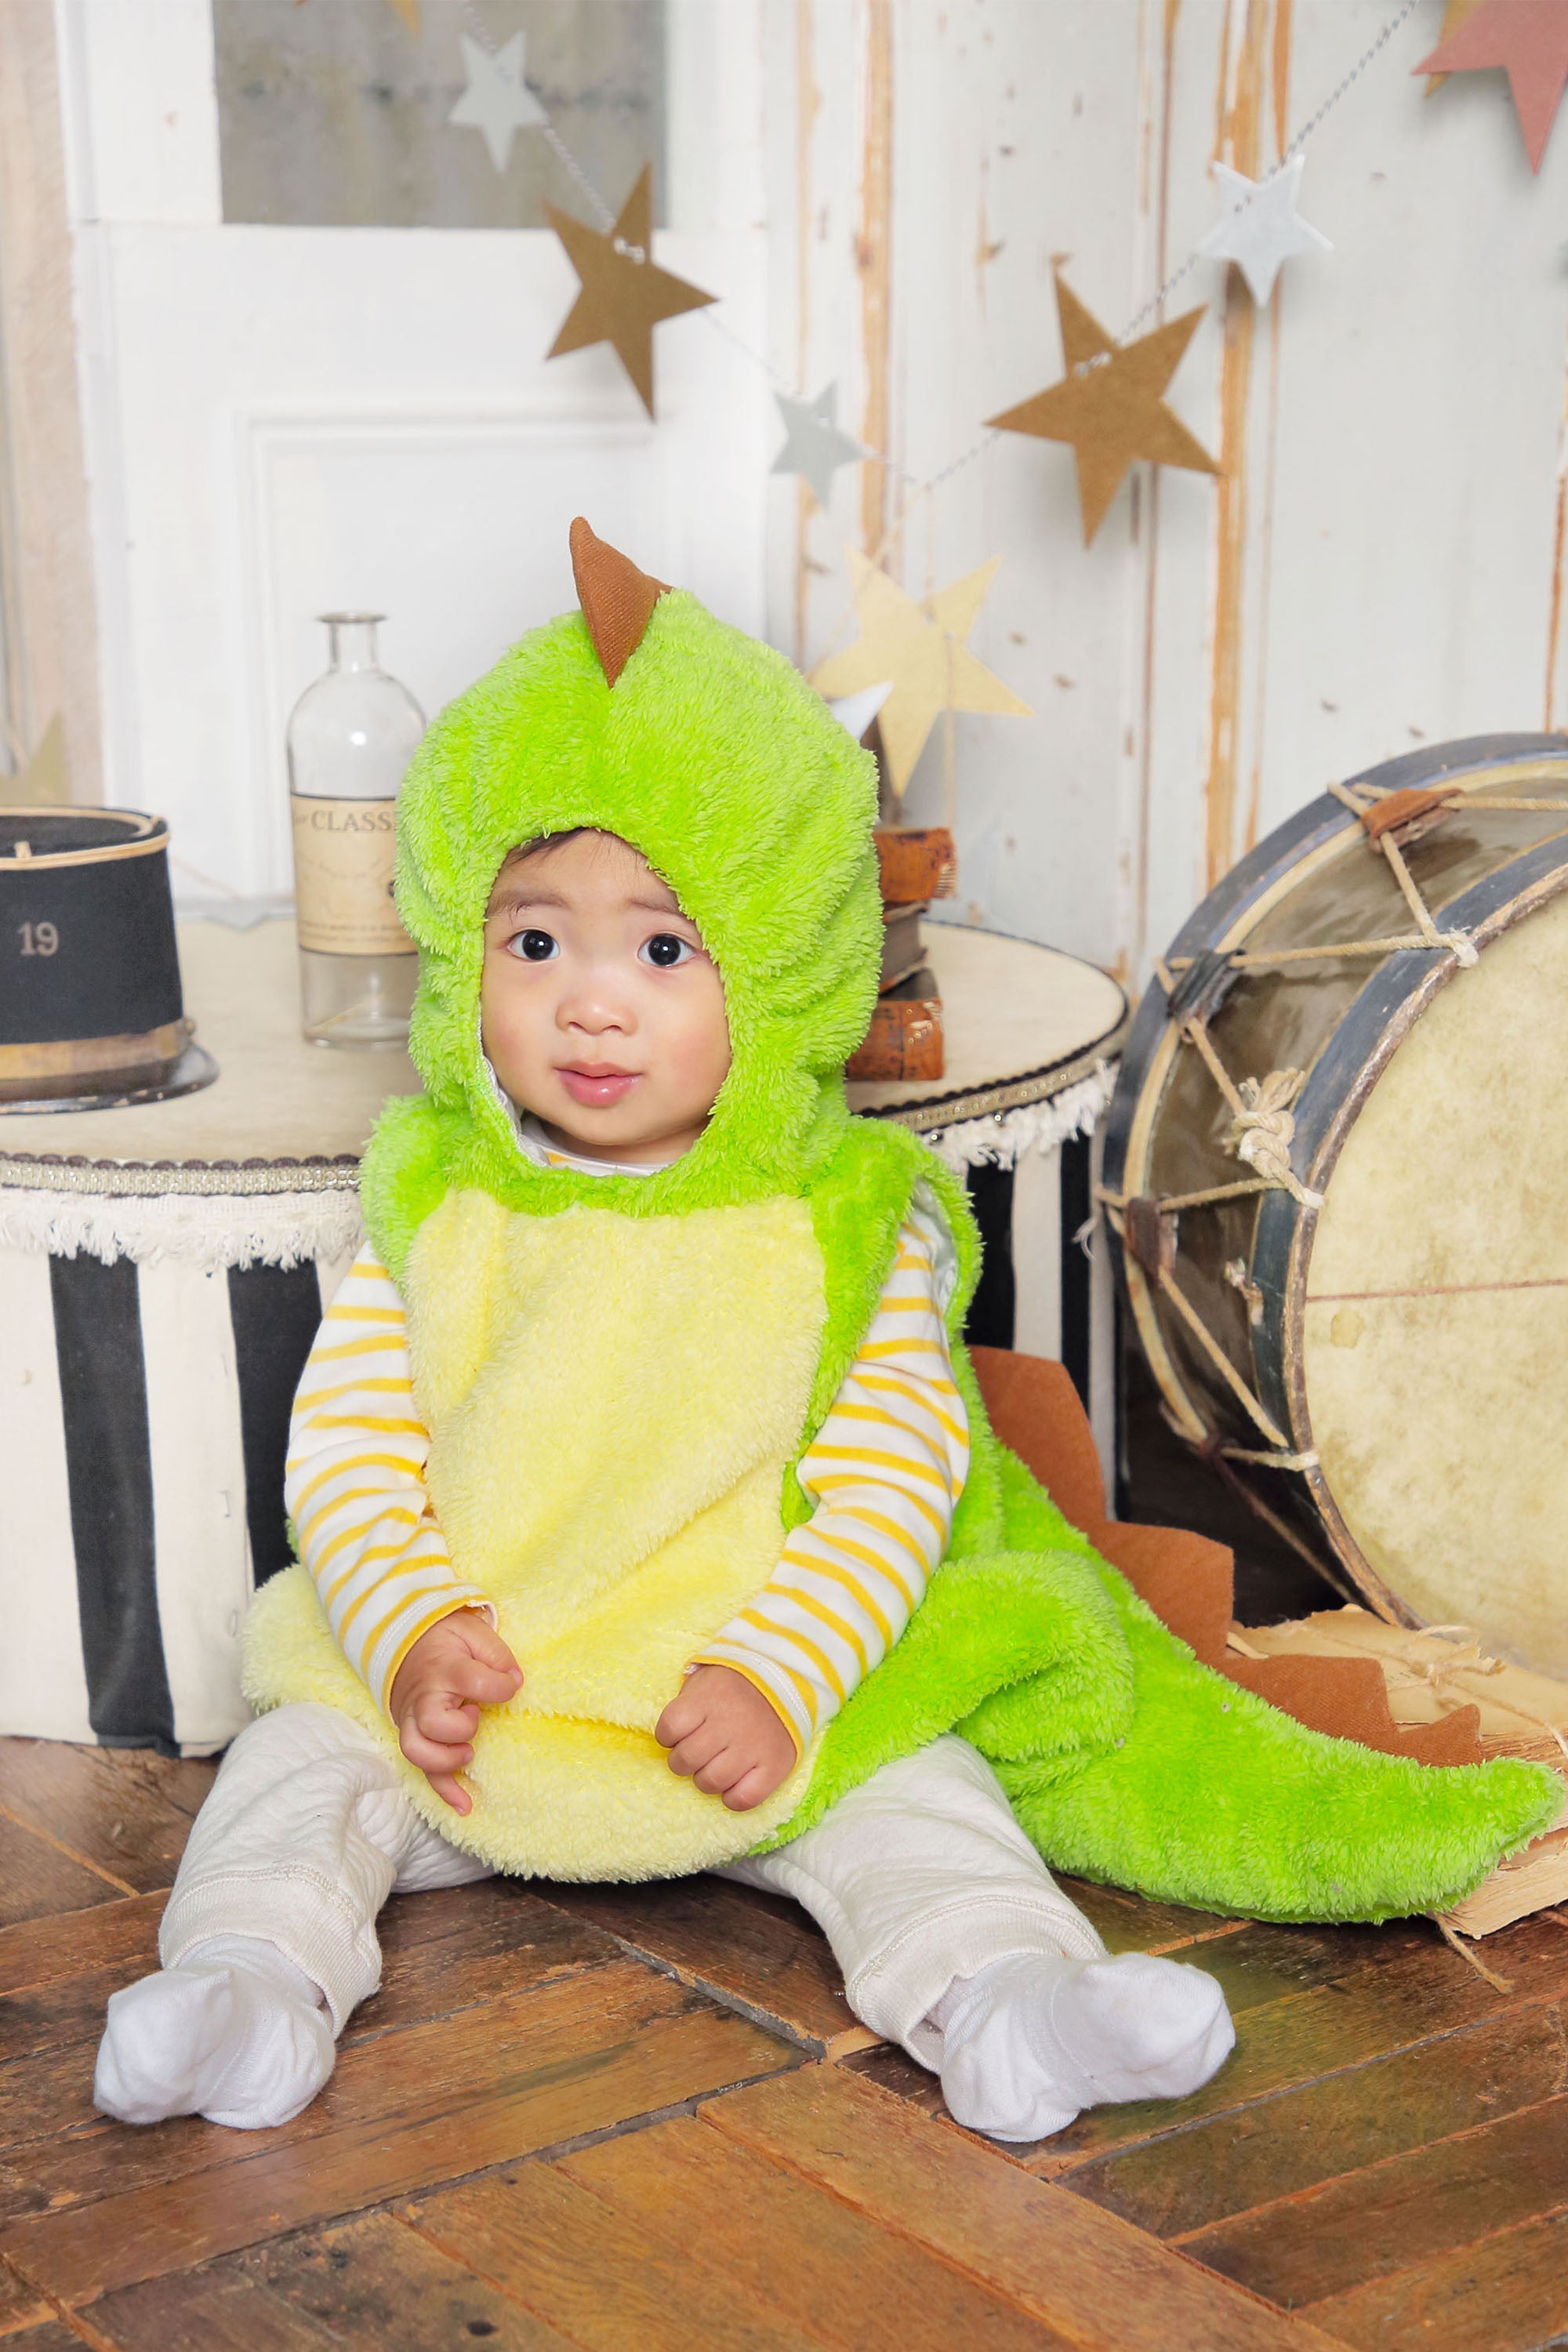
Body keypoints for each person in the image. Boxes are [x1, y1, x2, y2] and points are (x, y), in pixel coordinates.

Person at [94, 523, 1558, 2138]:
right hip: (480, 1700)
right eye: (533, 944)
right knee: (293, 1771)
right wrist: (410, 1633)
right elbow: (352, 1451)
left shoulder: (834, 1222)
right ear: (461, 951)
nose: (590, 1003)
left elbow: (892, 1482)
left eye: (663, 948)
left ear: (785, 968)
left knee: (924, 1797)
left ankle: (1008, 1998)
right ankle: (249, 1985)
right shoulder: (441, 1203)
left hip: (742, 1691)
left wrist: (784, 1677)